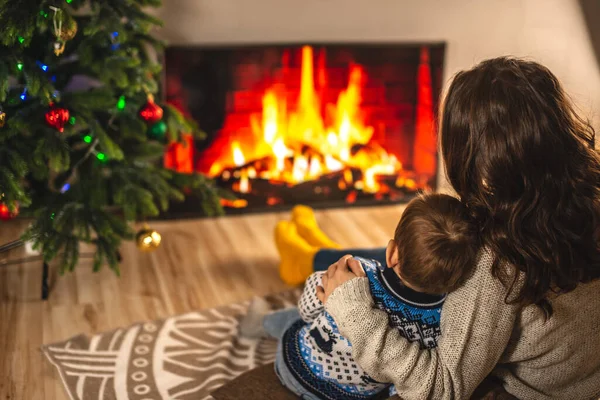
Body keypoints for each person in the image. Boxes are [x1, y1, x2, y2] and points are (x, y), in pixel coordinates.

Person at [275, 57, 600, 399]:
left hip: (536, 393)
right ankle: (313, 253)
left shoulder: (495, 267)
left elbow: (440, 390)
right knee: (431, 241)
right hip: (588, 374)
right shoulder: (585, 195)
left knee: (422, 252)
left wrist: (352, 309)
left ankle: (313, 259)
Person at [246, 194, 478, 399]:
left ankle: (260, 323)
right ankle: (313, 248)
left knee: (296, 320)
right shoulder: (438, 324)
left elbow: (308, 309)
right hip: (349, 396)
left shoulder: (361, 273)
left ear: (391, 253)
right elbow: (401, 379)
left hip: (294, 369)